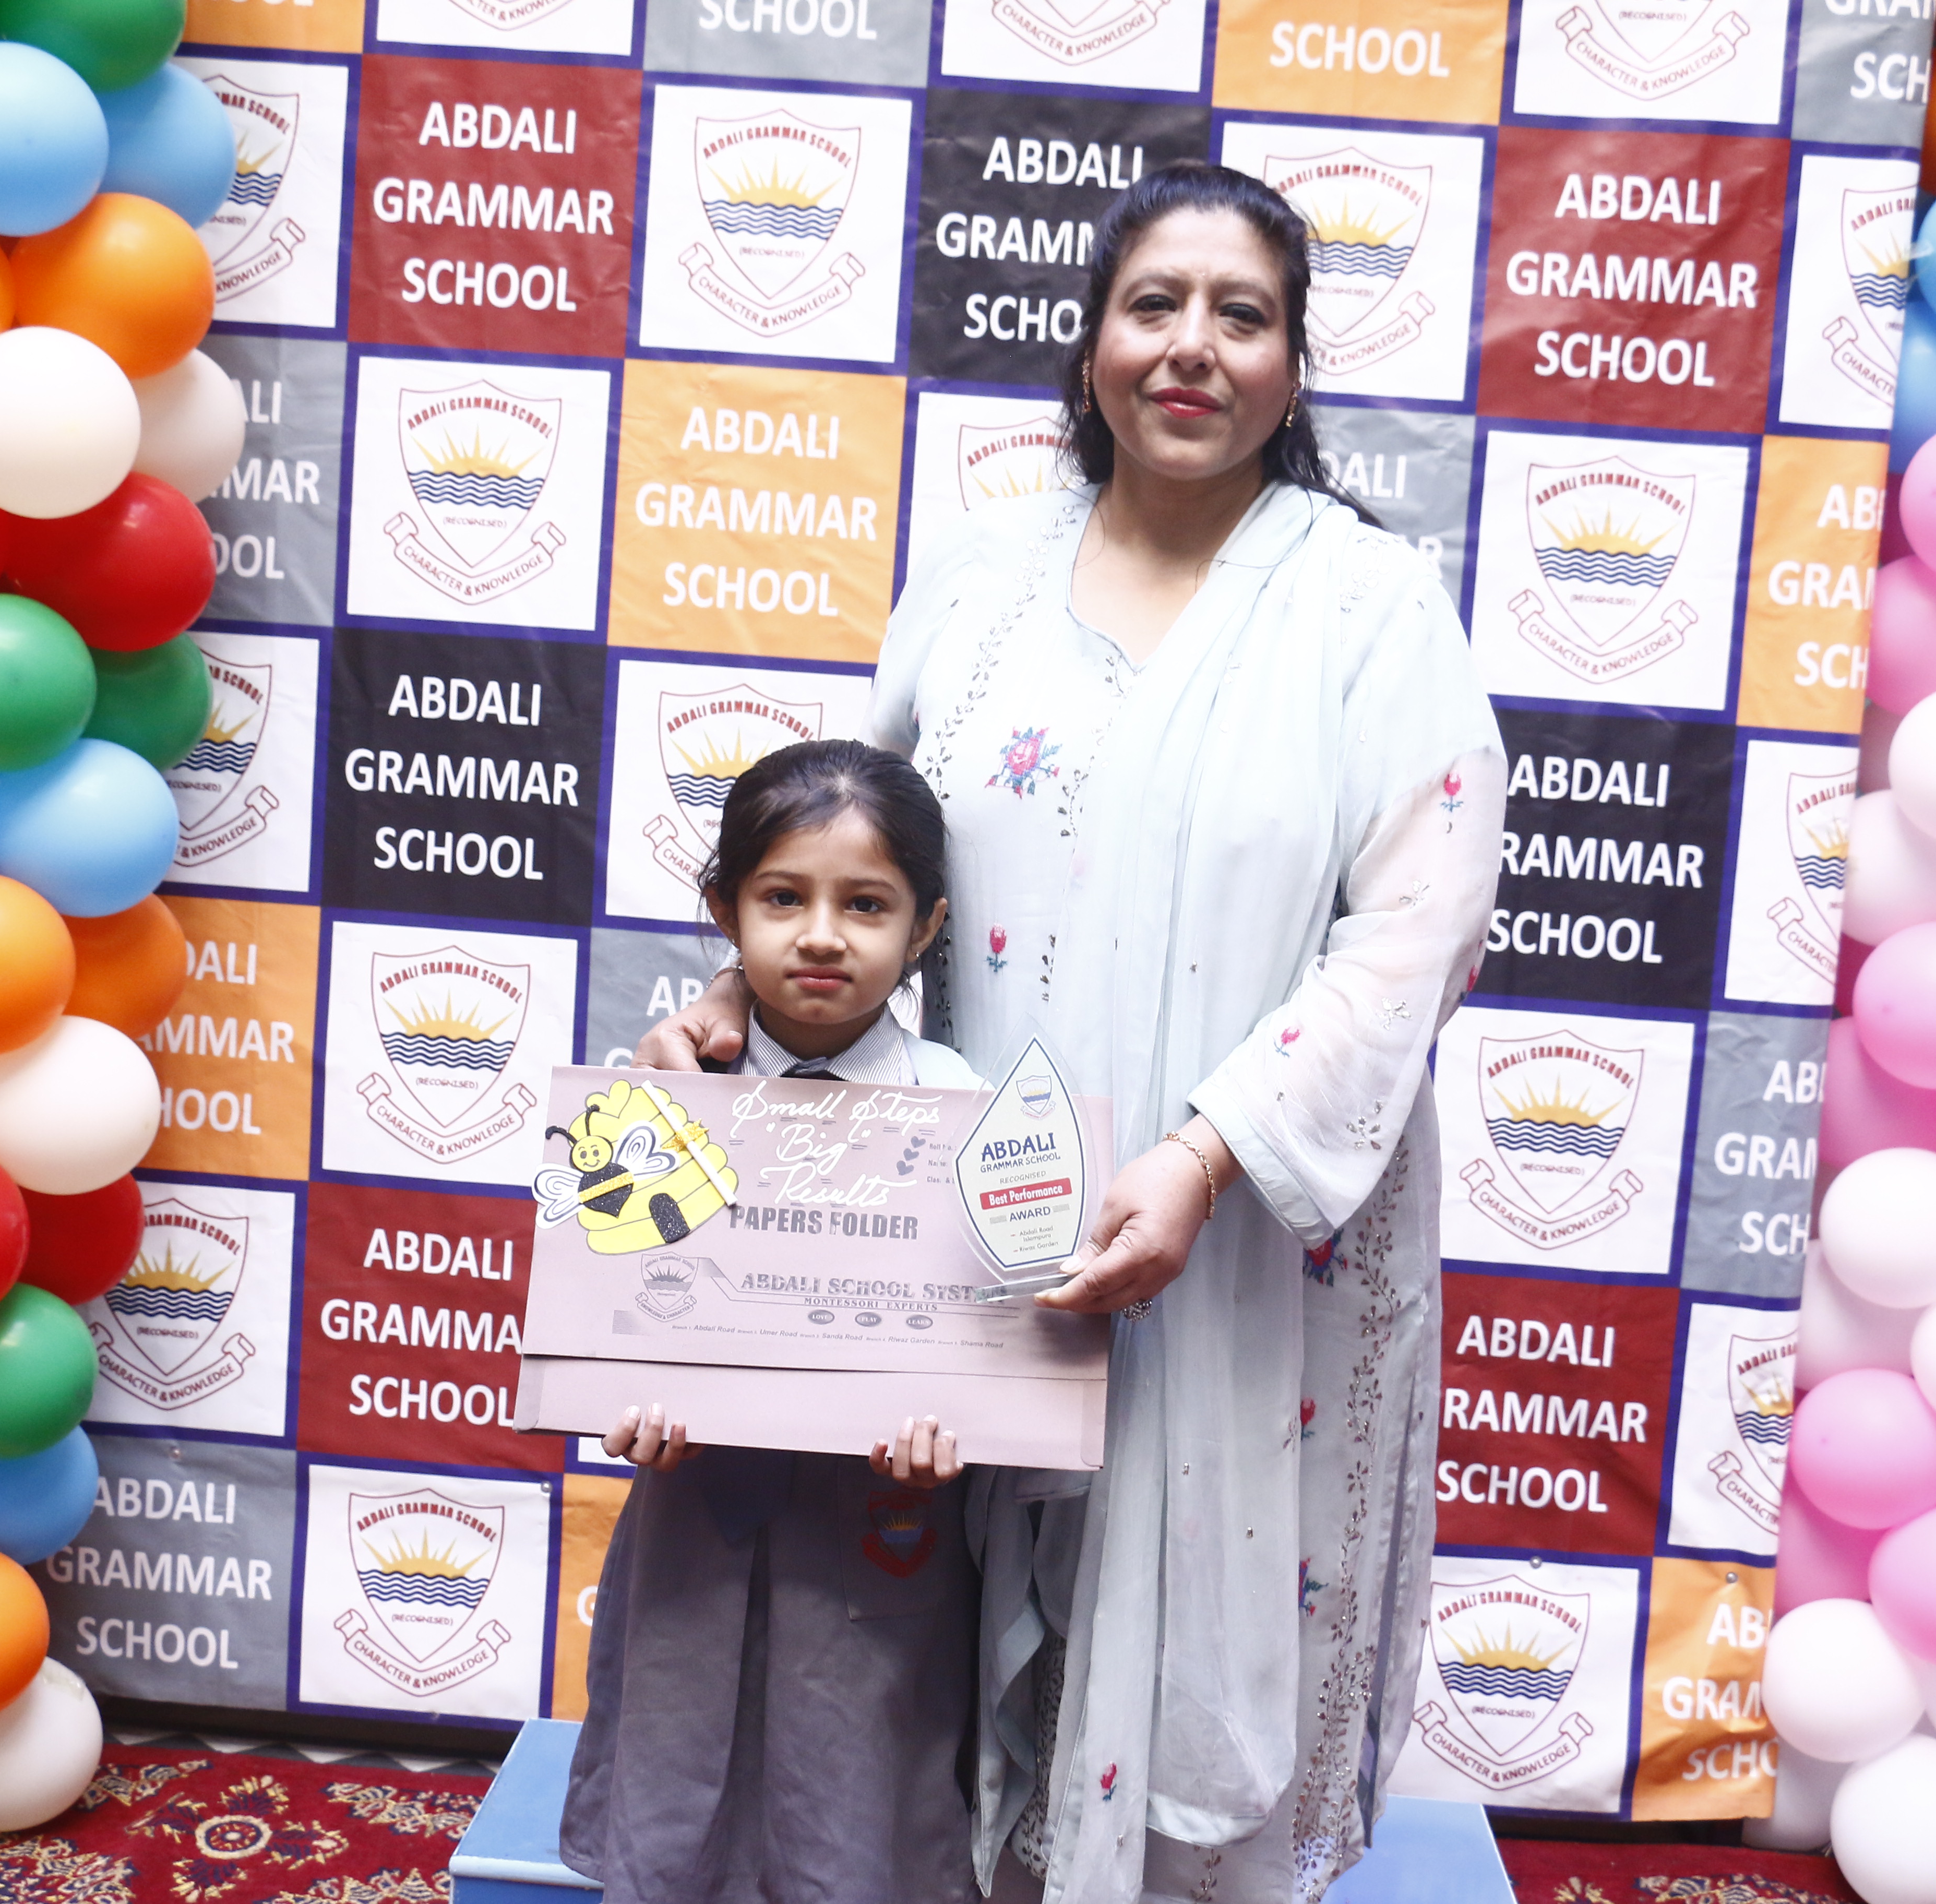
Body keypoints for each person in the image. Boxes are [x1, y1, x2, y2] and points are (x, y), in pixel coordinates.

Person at [639, 162, 1507, 1904]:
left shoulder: (1366, 608)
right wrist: (737, 998)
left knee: (1198, 1624)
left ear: (1293, 362)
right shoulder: (979, 584)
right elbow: (861, 855)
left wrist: (1201, 1158)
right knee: (947, 1592)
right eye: (1153, 304)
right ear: (1093, 337)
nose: (1192, 348)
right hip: (983, 1232)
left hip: (1241, 1238)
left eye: (1241, 315)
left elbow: (1420, 924)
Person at [563, 739, 990, 1904]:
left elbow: (997, 1345)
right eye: (783, 898)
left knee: (852, 1796)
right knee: (676, 1787)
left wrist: (962, 1426)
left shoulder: (965, 1114)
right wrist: (621, 1408)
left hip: (884, 1520)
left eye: (868, 905)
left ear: (926, 927)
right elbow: (609, 1322)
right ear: (726, 912)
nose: (821, 936)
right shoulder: (657, 1100)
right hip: (693, 1506)